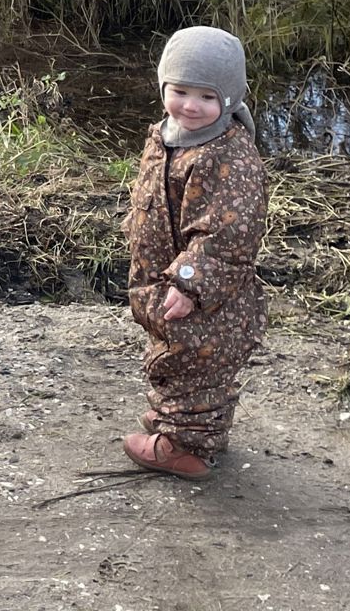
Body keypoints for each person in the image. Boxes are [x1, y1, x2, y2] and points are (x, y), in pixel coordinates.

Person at [122, 26, 268, 480]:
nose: (189, 105)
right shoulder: (170, 135)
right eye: (179, 91)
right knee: (173, 352)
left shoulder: (228, 157)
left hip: (205, 294)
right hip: (163, 277)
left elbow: (227, 235)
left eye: (206, 97)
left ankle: (182, 448)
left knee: (194, 362)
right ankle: (178, 420)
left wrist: (190, 283)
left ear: (229, 100)